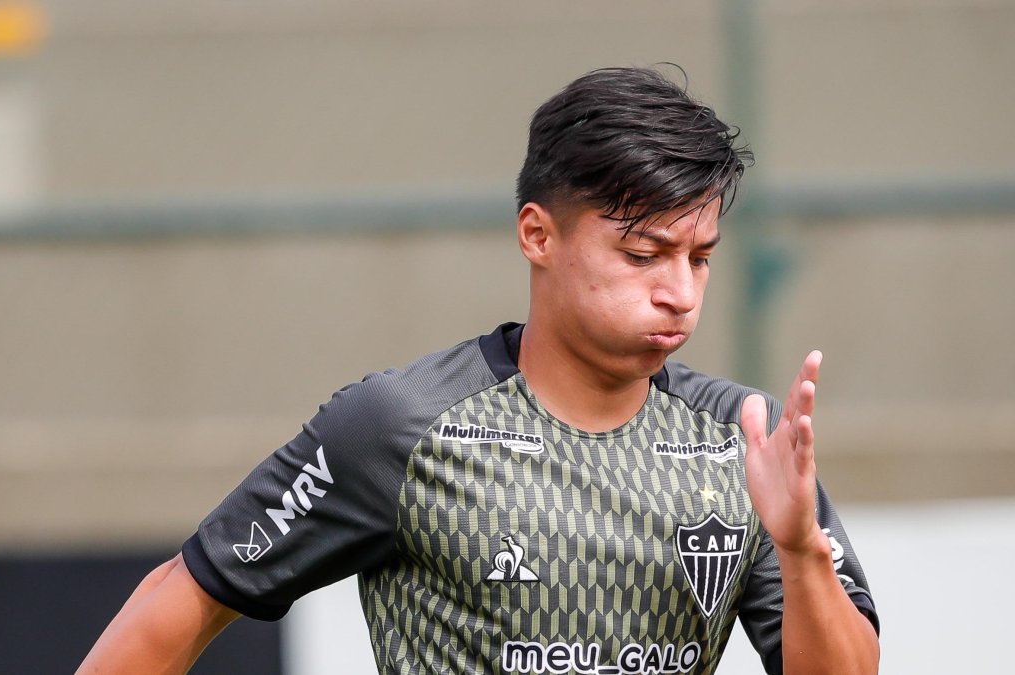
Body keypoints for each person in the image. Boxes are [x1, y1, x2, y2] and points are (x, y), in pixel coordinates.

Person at [78, 66, 880, 675]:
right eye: (643, 254)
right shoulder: (400, 425)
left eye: (700, 259)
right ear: (538, 234)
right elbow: (178, 602)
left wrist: (800, 547)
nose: (679, 291)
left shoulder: (744, 439)